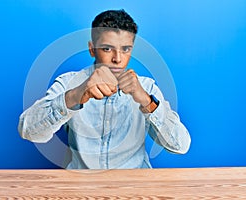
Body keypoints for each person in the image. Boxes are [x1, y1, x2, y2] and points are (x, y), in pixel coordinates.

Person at [18, 9, 191, 169]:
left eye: (125, 49)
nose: (117, 59)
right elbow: (27, 130)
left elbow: (180, 146)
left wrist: (146, 101)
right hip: (82, 189)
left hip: (134, 189)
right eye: (107, 49)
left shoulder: (146, 87)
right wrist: (76, 95)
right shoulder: (69, 82)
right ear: (92, 49)